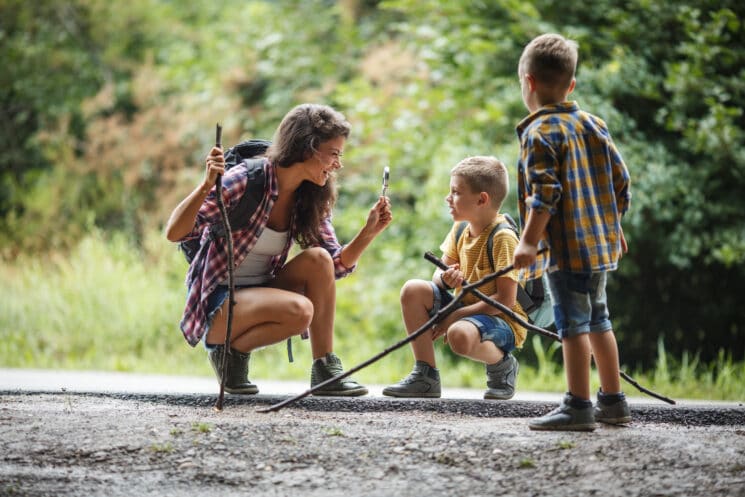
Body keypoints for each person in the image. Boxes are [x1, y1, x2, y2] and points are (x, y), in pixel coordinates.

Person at [165, 103, 392, 396]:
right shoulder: (247, 179)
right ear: (309, 148)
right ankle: (224, 350)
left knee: (319, 259)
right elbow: (175, 233)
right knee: (300, 310)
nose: (338, 164)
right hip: (220, 303)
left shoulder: (309, 196)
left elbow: (333, 267)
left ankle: (325, 369)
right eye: (334, 154)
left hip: (263, 293)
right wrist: (207, 184)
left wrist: (368, 232)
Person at [512, 33, 632, 431]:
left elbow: (545, 194)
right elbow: (620, 180)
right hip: (599, 246)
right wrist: (615, 227)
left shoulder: (539, 133)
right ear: (571, 84)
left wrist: (528, 240)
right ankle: (613, 402)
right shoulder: (593, 124)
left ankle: (578, 405)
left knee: (572, 325)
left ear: (528, 82)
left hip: (566, 251)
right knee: (600, 319)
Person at [383, 156, 528, 400]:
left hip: (503, 320)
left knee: (458, 335)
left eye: (456, 192)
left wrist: (454, 316)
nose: (448, 198)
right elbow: (437, 275)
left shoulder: (503, 237)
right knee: (413, 289)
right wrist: (446, 279)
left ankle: (503, 365)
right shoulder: (461, 227)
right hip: (468, 307)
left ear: (482, 199)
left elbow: (505, 300)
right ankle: (425, 375)